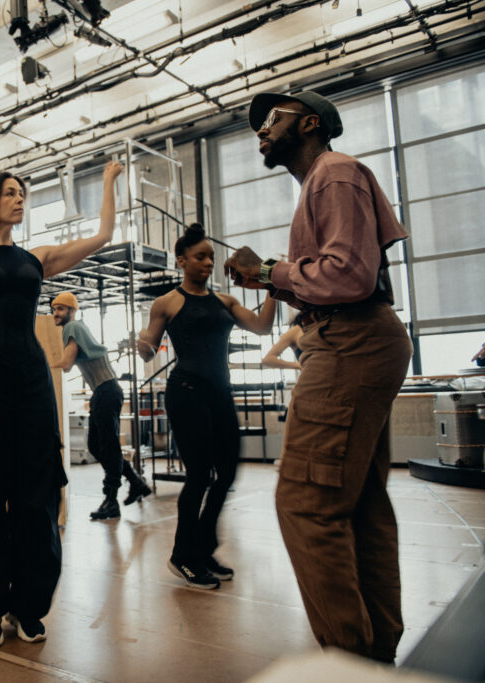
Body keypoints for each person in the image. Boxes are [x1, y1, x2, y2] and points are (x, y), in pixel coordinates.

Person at [225, 90, 412, 662]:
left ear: (308, 123)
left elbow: (350, 274)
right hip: (356, 335)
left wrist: (266, 269)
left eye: (270, 121)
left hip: (349, 338)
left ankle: (350, 661)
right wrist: (270, 279)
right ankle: (375, 652)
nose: (259, 130)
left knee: (306, 503)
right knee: (358, 503)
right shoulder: (324, 184)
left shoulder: (333, 174)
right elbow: (336, 272)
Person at [0, 159, 124, 647]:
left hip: (30, 382)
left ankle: (29, 606)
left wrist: (107, 182)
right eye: (11, 193)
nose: (20, 199)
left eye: (23, 193)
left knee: (36, 496)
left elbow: (103, 235)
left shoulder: (36, 258)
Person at [137, 224, 276, 589]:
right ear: (182, 261)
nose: (209, 262)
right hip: (186, 390)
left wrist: (274, 286)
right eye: (200, 256)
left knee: (227, 474)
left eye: (212, 256)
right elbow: (149, 345)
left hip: (219, 392)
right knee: (200, 475)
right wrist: (141, 345)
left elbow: (262, 328)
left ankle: (201, 548)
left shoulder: (225, 302)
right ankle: (183, 556)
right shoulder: (167, 302)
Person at [49, 291, 151, 520]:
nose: (56, 313)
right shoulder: (78, 328)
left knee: (109, 446)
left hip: (107, 390)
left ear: (72, 311)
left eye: (61, 309)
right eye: (54, 308)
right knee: (96, 445)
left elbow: (66, 363)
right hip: (102, 392)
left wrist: (39, 366)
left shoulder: (72, 328)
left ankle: (111, 500)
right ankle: (135, 482)